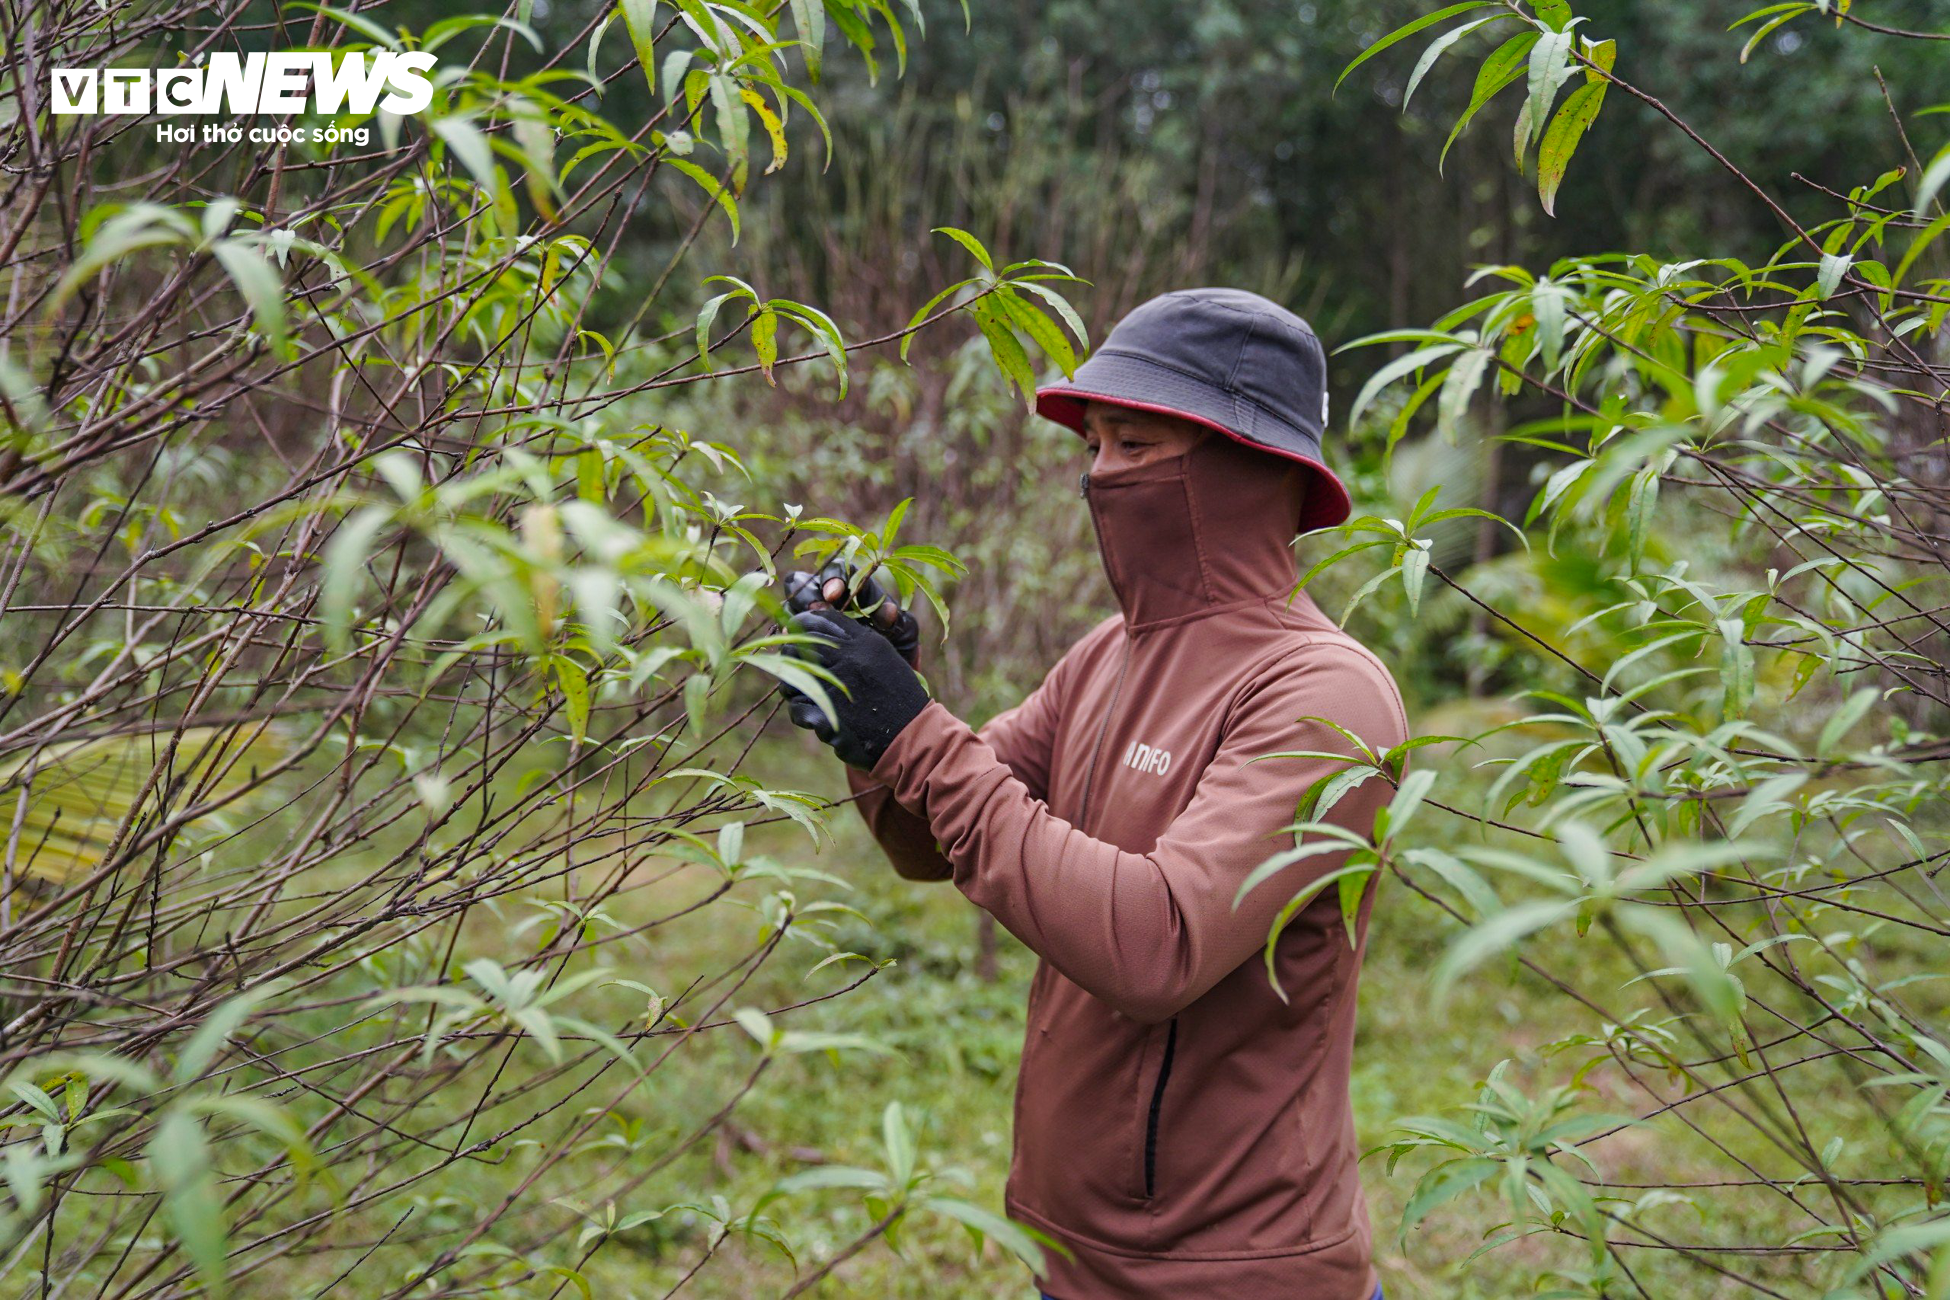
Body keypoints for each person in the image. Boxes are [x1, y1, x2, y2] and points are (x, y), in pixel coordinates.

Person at [778, 288, 1407, 1299]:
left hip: (1237, 1277)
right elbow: (930, 840)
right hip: (1071, 1260)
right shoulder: (1104, 659)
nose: (1100, 475)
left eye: (1133, 444)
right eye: (1094, 446)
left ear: (1248, 467)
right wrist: (877, 719)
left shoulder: (1324, 691)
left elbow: (1153, 944)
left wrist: (915, 733)